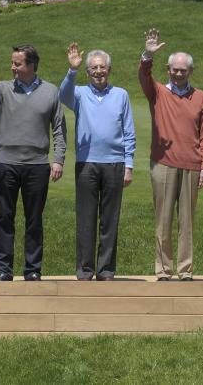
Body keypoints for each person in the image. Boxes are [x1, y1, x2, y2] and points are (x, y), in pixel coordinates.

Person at [0, 44, 66, 282]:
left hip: (37, 165)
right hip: (6, 163)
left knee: (34, 219)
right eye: (12, 63)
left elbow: (58, 129)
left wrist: (58, 160)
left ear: (31, 65)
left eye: (17, 63)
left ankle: (32, 269)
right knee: (5, 217)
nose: (12, 67)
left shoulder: (50, 91)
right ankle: (4, 269)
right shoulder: (3, 89)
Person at [140, 29, 203, 281]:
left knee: (187, 222)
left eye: (183, 70)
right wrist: (147, 55)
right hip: (163, 164)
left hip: (192, 165)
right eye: (174, 69)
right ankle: (163, 269)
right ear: (168, 69)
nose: (178, 73)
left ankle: (185, 270)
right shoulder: (158, 92)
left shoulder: (200, 97)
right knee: (163, 219)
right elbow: (143, 76)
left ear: (190, 72)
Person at [59, 44, 135, 281]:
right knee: (86, 217)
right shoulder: (80, 93)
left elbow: (128, 132)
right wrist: (72, 70)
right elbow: (63, 95)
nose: (98, 71)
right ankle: (85, 270)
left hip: (115, 163)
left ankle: (106, 270)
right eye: (94, 68)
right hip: (86, 163)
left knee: (110, 219)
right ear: (88, 71)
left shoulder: (121, 94)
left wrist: (129, 164)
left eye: (102, 67)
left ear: (109, 70)